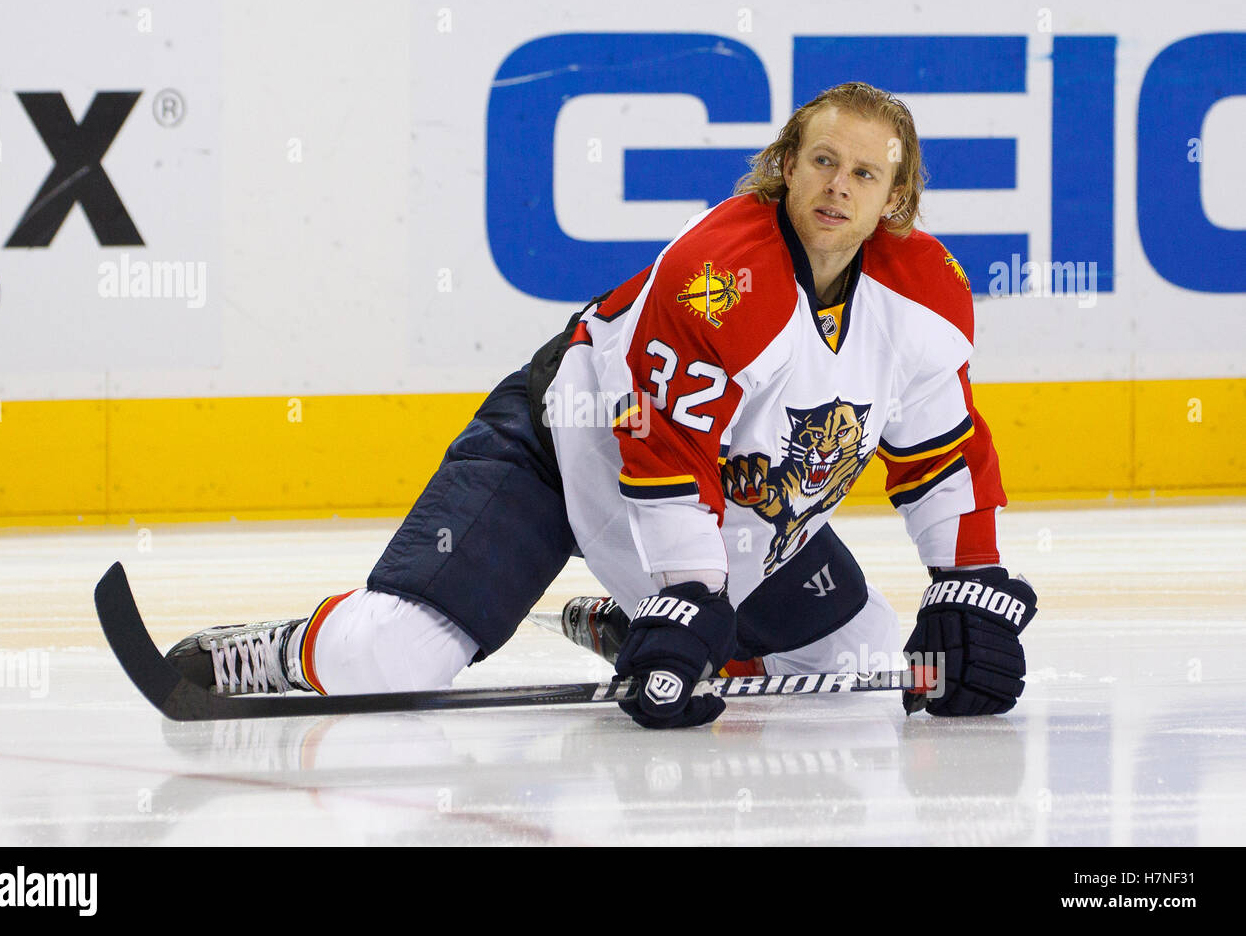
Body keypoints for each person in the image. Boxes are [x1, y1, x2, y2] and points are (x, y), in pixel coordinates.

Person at [166, 82, 1037, 728]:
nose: (837, 187)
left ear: (897, 201)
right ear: (784, 166)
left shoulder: (925, 301)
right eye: (821, 160)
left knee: (869, 664)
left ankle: (628, 623)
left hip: (740, 524)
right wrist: (691, 595)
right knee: (388, 661)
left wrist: (971, 582)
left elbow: (940, 458)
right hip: (564, 452)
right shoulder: (719, 275)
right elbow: (661, 448)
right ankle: (273, 647)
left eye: (863, 174)